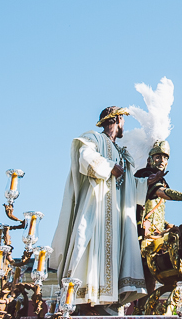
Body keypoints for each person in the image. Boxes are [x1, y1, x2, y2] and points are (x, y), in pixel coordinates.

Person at [50, 107, 166, 315]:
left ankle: (108, 301)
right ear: (118, 119)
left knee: (115, 253)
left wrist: (147, 182)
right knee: (90, 247)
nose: (124, 126)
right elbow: (85, 158)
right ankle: (85, 300)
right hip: (96, 210)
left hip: (117, 217)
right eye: (123, 121)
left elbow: (129, 182)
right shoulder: (94, 138)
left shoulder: (122, 152)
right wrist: (109, 166)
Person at [133, 140, 182, 311]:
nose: (162, 161)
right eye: (158, 157)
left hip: (156, 236)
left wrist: (170, 226)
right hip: (143, 237)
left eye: (165, 158)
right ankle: (143, 310)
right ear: (150, 159)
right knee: (147, 277)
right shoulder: (145, 176)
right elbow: (159, 193)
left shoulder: (158, 179)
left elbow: (156, 213)